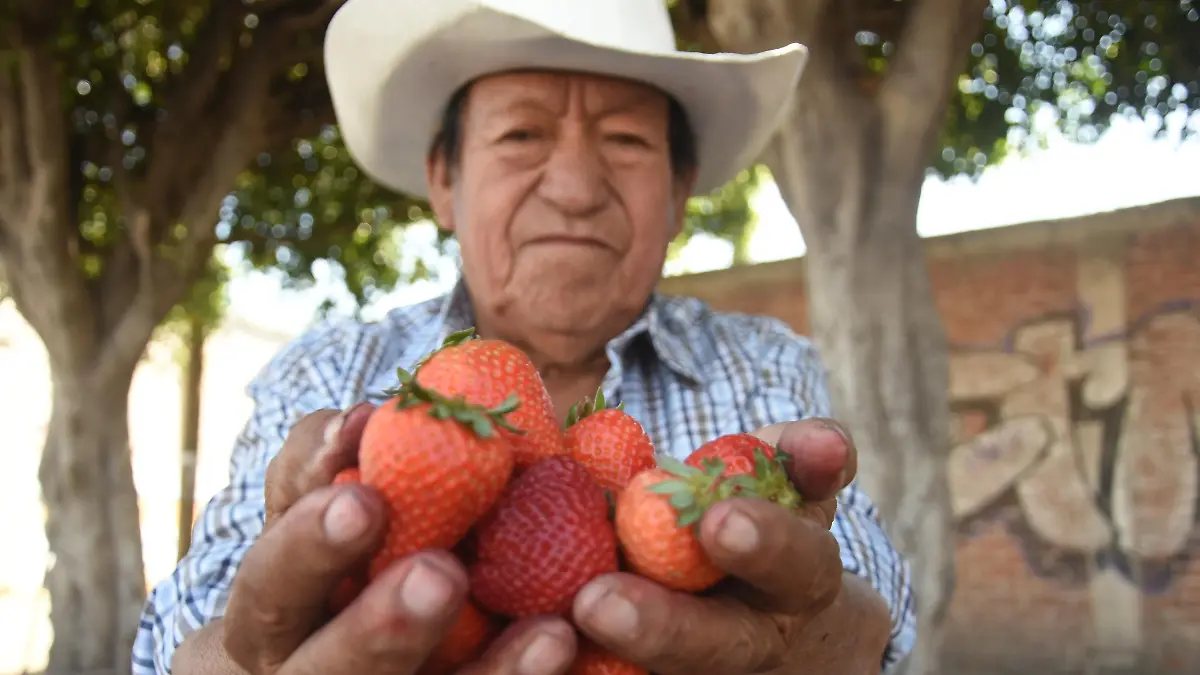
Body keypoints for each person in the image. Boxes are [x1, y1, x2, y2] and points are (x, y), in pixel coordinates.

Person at [133, 0, 916, 673]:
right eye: (520, 136)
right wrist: (248, 657)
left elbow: (880, 624)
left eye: (627, 141)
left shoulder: (767, 363)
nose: (574, 189)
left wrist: (821, 634)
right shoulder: (327, 373)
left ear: (679, 194)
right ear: (444, 179)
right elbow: (179, 633)